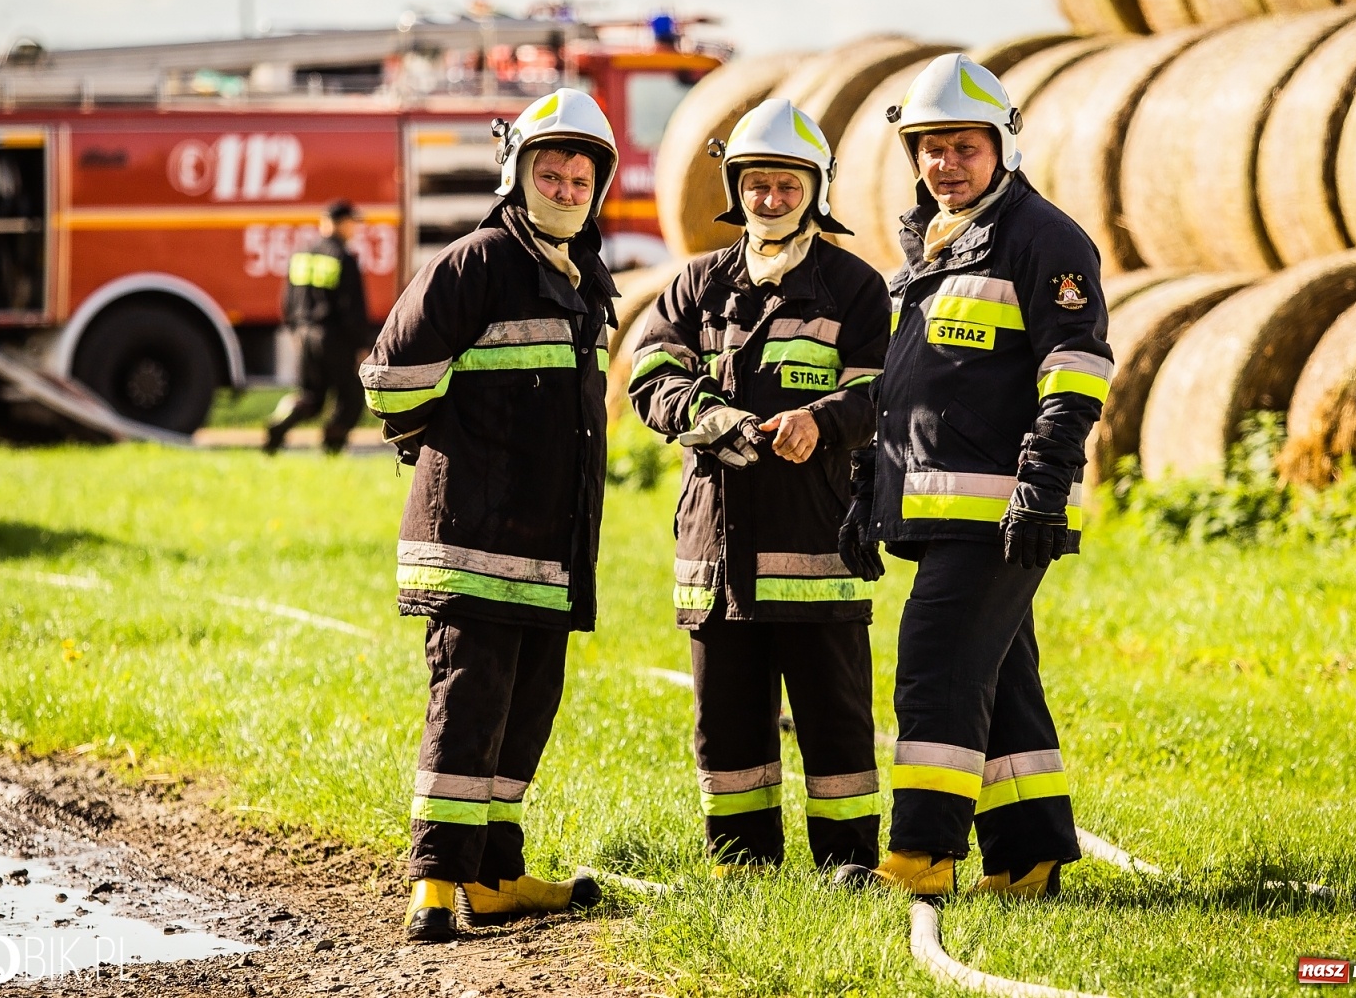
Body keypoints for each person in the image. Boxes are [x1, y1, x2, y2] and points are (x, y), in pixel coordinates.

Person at [833, 54, 1113, 899]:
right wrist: (867, 490)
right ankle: (1027, 859)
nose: (946, 164)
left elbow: (1076, 373)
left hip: (1002, 514)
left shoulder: (1044, 239)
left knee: (938, 667)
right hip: (942, 509)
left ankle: (921, 856)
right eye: (931, 148)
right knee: (1003, 680)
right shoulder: (933, 246)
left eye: (964, 147)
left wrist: (1043, 487)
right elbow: (904, 390)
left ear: (1002, 147)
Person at [360, 88, 617, 942]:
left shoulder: (587, 277)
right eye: (552, 173)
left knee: (527, 710)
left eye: (581, 178)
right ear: (517, 173)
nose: (567, 189)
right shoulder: (476, 262)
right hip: (472, 544)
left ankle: (495, 875)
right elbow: (391, 376)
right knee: (468, 710)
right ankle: (436, 882)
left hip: (551, 549)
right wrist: (441, 445)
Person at [629, 98, 890, 874]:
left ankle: (848, 863)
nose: (770, 199)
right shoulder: (697, 285)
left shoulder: (854, 287)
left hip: (818, 553)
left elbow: (882, 390)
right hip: (716, 556)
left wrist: (822, 420)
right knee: (728, 722)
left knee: (836, 722)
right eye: (756, 184)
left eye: (786, 185)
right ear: (735, 189)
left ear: (816, 191)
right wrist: (710, 416)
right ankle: (741, 865)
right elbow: (651, 374)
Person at [265, 199, 371, 454]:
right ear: (341, 224)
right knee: (351, 397)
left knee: (311, 397)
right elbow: (351, 308)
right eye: (352, 223)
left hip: (303, 334)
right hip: (334, 336)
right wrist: (362, 344)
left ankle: (280, 424)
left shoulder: (301, 255)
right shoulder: (343, 257)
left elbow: (287, 300)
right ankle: (332, 446)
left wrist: (295, 330)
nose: (354, 229)